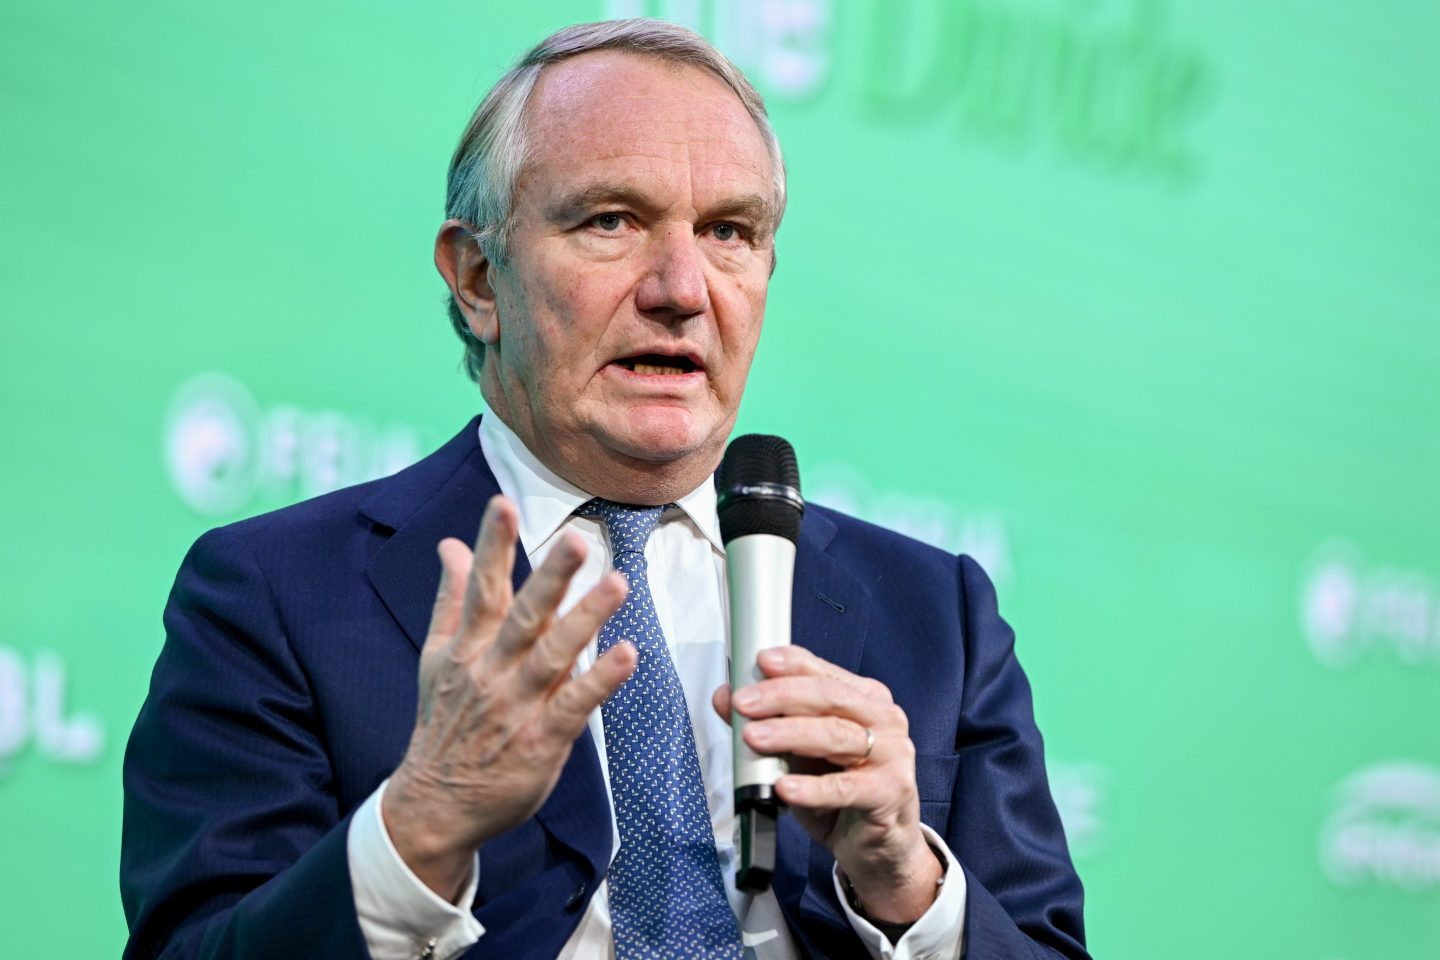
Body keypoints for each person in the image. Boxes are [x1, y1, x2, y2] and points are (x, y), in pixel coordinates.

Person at [121, 19, 1088, 960]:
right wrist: (417, 829)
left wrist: (910, 888)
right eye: (611, 221)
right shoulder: (276, 596)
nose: (682, 289)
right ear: (477, 279)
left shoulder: (939, 616)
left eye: (729, 231)